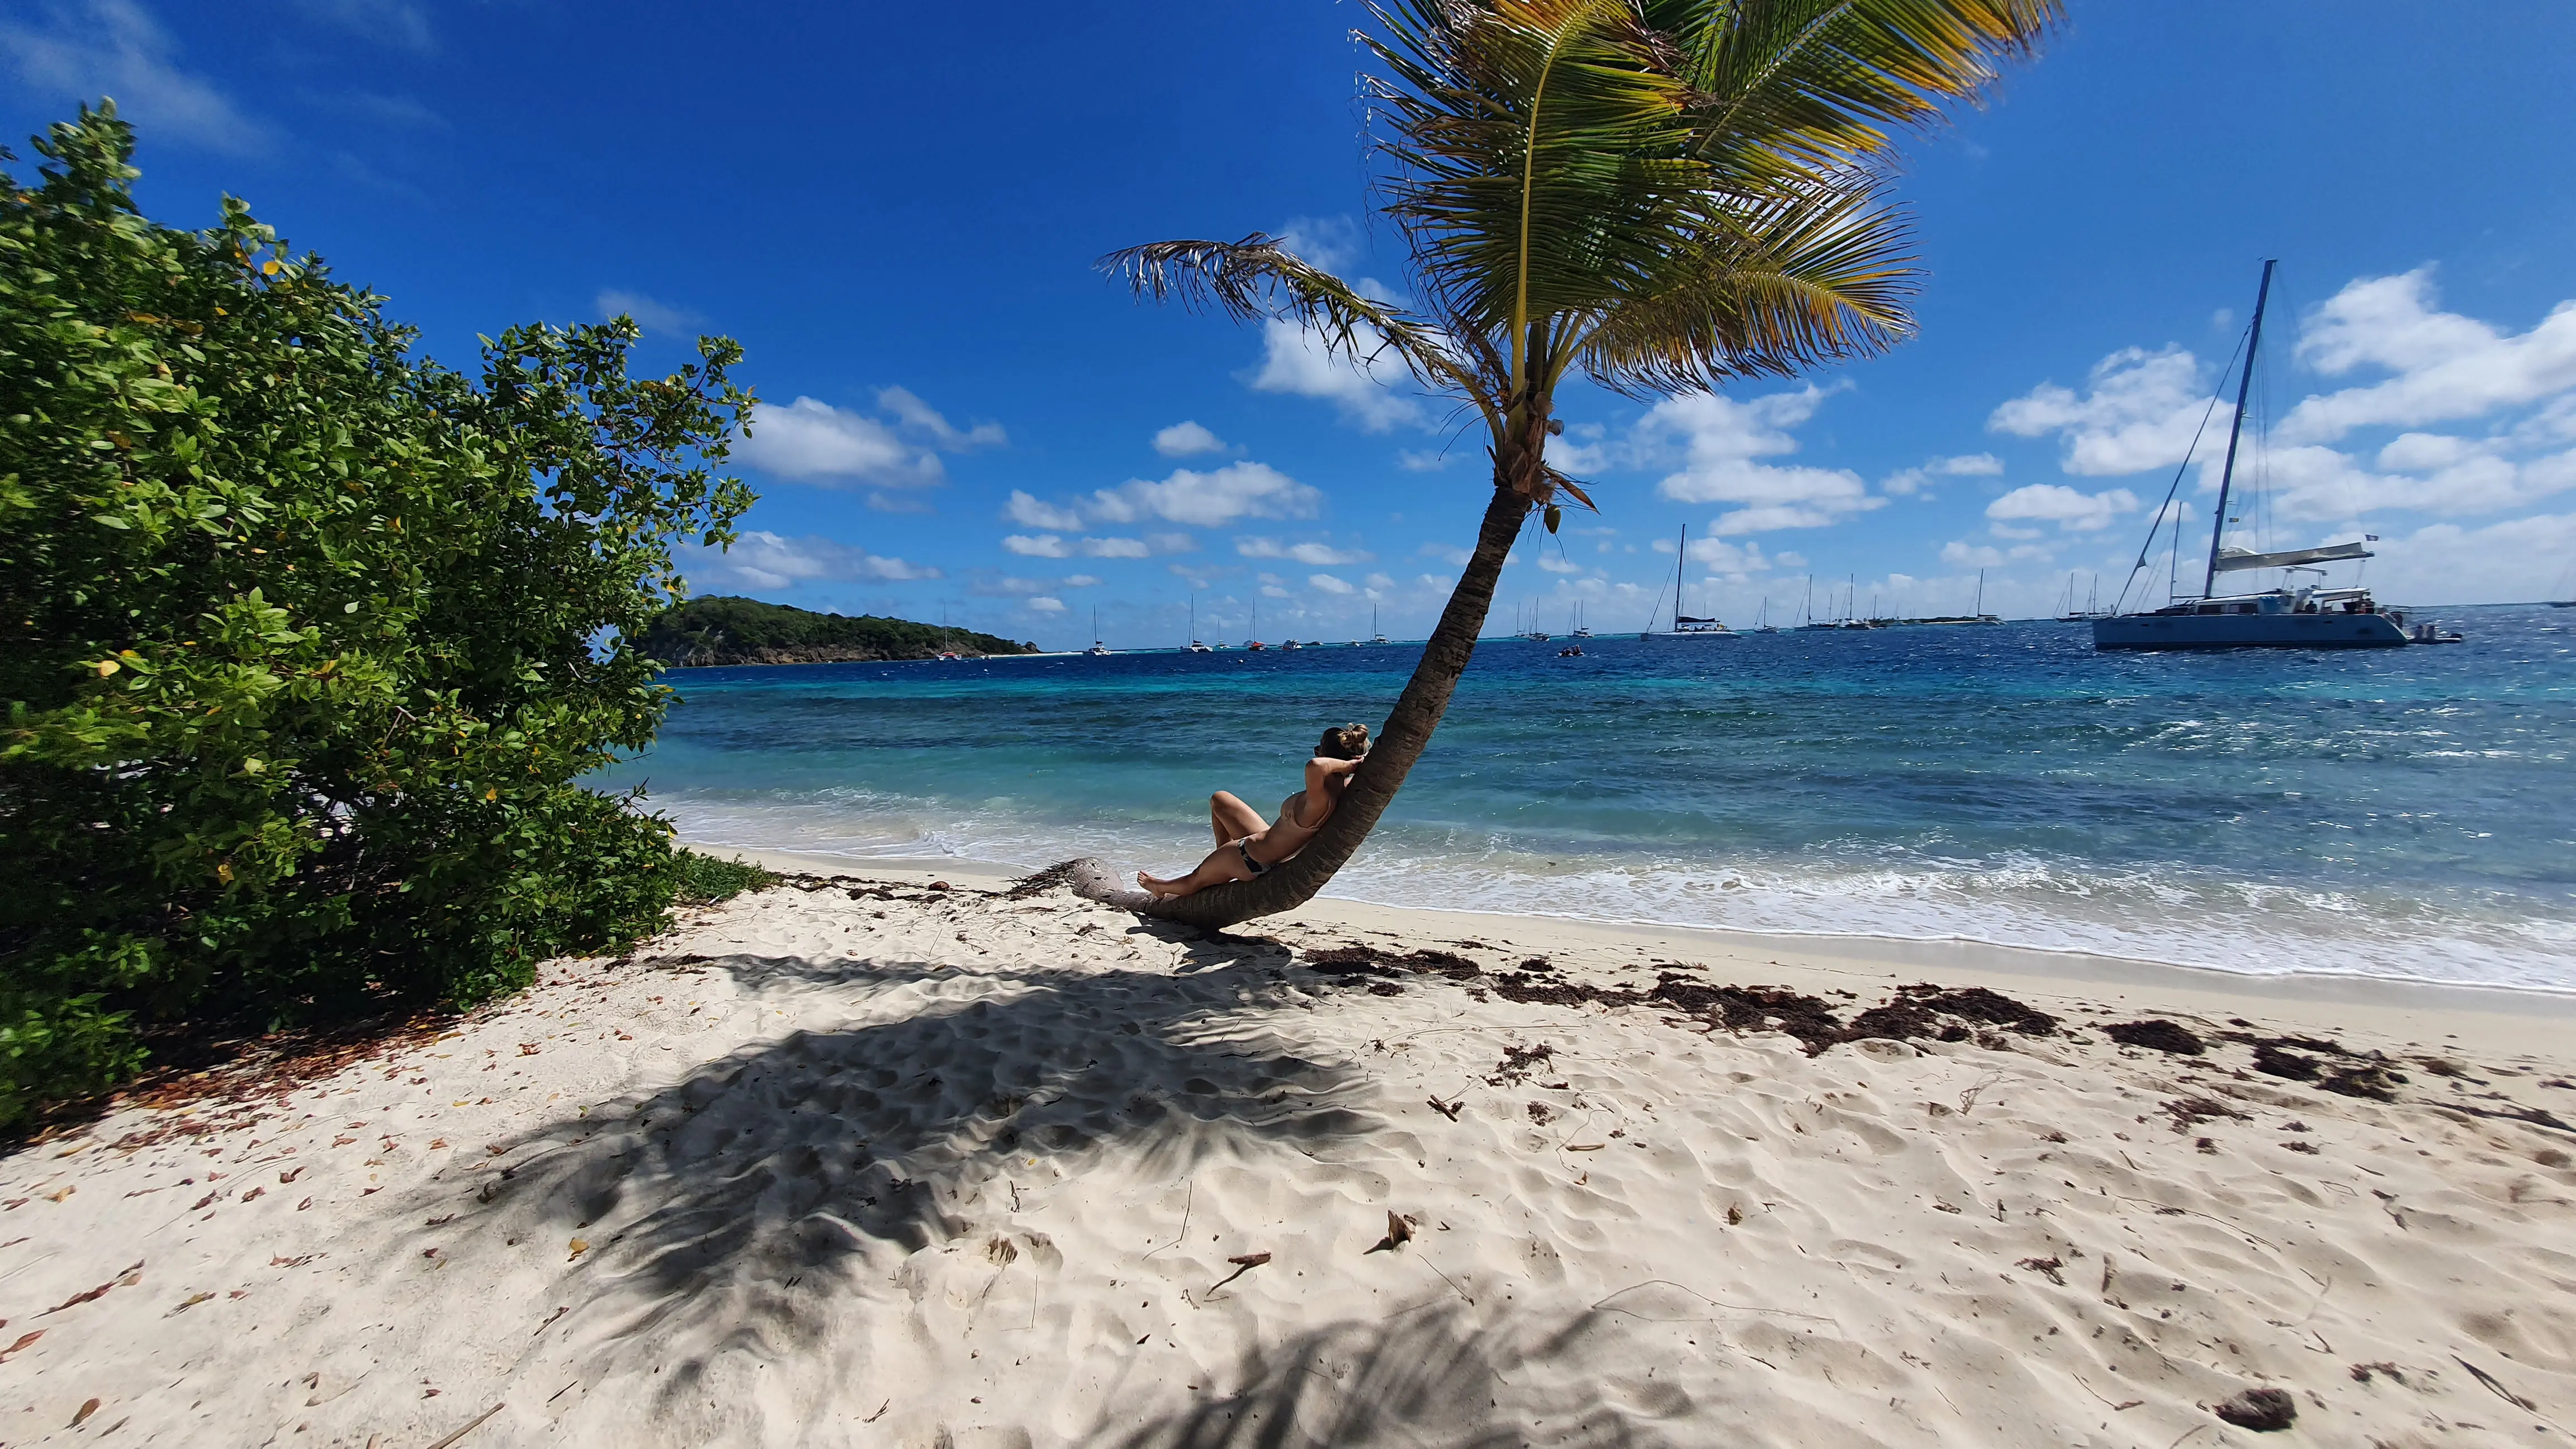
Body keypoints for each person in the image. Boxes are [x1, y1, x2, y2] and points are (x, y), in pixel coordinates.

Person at [1137, 723, 1371, 899]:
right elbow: (1326, 768)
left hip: (1251, 858)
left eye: (1319, 747)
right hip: (1264, 846)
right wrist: (1353, 766)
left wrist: (1348, 765)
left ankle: (1160, 886)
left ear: (1326, 756)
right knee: (1220, 799)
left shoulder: (1321, 799)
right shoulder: (1342, 790)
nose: (1317, 752)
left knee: (1195, 880)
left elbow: (1314, 766)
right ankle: (1222, 855)